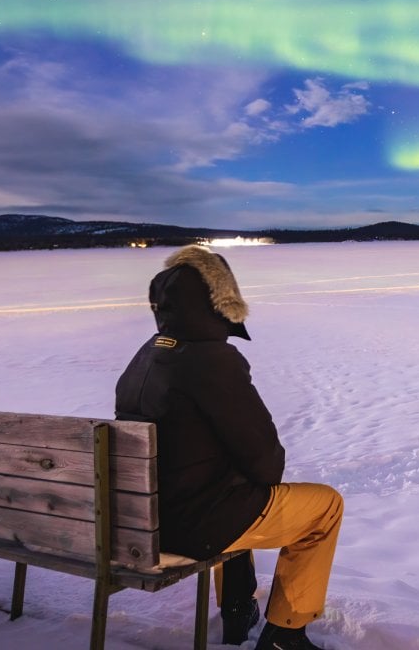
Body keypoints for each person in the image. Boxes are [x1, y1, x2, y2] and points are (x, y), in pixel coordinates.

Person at [115, 244, 343, 650]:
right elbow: (266, 462)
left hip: (141, 517)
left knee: (233, 492)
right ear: (220, 302)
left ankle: (239, 608)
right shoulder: (212, 360)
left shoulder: (146, 356)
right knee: (324, 507)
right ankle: (286, 632)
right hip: (191, 527)